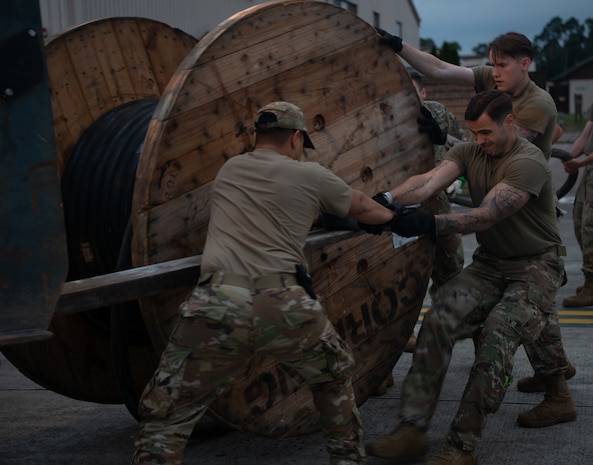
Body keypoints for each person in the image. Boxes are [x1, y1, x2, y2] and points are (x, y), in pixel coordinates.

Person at [130, 101, 397, 465]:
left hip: (217, 304)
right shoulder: (311, 174)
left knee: (167, 417)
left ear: (255, 136)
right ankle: (346, 459)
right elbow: (365, 208)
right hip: (284, 303)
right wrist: (399, 219)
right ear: (297, 138)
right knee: (332, 378)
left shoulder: (230, 169)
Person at [362, 90, 576, 465]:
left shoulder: (529, 162)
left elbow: (488, 214)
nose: (479, 141)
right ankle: (411, 430)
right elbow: (427, 182)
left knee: (498, 332)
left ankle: (462, 446)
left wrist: (431, 223)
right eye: (474, 133)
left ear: (510, 122)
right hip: (491, 263)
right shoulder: (469, 150)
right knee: (440, 315)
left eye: (486, 133)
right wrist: (383, 200)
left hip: (537, 266)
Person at [377, 29, 575, 400]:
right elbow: (439, 68)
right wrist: (399, 47)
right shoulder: (495, 83)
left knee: (525, 303)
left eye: (502, 65)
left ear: (525, 64)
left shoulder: (537, 104)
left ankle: (555, 378)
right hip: (494, 203)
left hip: (521, 200)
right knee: (534, 306)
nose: (494, 71)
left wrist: (446, 140)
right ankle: (555, 375)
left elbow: (498, 148)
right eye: (492, 63)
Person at [403, 70, 467, 353]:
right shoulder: (380, 120)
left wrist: (459, 183)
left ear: (424, 92)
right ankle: (390, 356)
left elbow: (466, 151)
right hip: (400, 217)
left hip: (440, 212)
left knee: (451, 273)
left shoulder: (439, 113)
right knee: (401, 283)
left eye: (412, 92)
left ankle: (452, 334)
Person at [561, 102, 593, 306]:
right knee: (579, 222)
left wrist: (579, 163)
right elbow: (584, 137)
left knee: (591, 229)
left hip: (589, 166)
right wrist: (567, 158)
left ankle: (591, 285)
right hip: (590, 173)